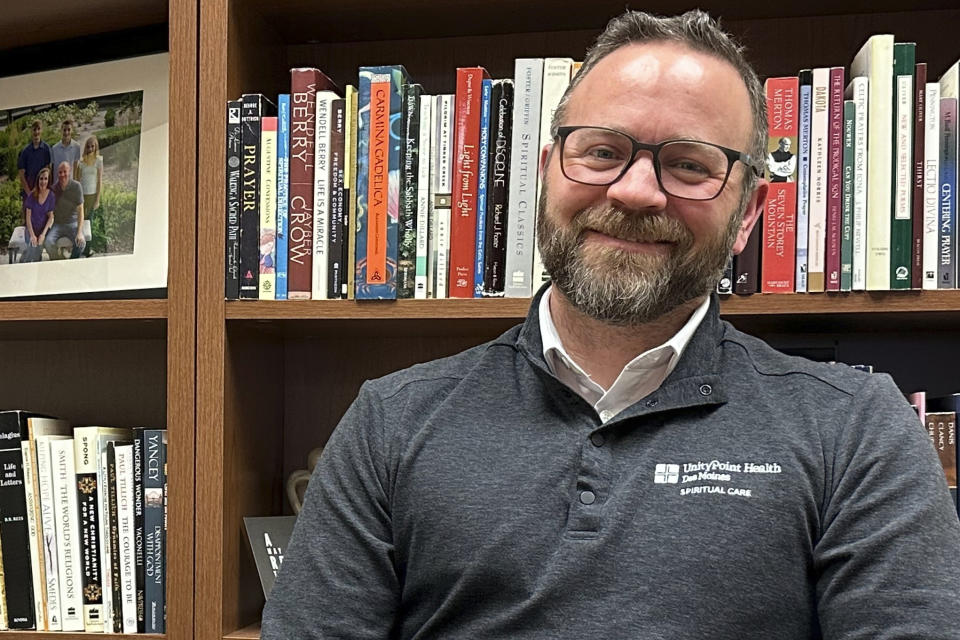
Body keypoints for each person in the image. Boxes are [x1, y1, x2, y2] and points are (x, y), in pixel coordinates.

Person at [262, 11, 960, 640]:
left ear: (748, 214)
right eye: (601, 152)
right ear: (547, 173)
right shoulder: (390, 422)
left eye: (689, 165)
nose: (633, 191)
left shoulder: (858, 430)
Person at [45, 161, 85, 260]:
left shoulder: (76, 186)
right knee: (48, 243)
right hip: (57, 224)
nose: (62, 175)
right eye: (60, 172)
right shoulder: (53, 189)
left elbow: (80, 211)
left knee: (81, 244)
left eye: (65, 172)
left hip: (72, 223)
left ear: (69, 171)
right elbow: (48, 211)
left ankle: (71, 263)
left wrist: (79, 232)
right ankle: (59, 260)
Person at [19, 166, 55, 263]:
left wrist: (43, 234)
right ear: (38, 180)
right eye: (41, 178)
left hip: (42, 229)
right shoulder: (31, 195)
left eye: (45, 179)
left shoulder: (51, 195)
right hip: (31, 228)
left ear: (48, 180)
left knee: (38, 246)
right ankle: (24, 262)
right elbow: (28, 218)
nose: (43, 181)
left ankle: (32, 262)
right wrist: (32, 235)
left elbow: (51, 216)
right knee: (32, 245)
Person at [17, 120, 52, 217]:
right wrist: (29, 193)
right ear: (31, 131)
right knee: (28, 220)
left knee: (42, 219)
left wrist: (43, 191)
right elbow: (21, 174)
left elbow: (48, 170)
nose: (36, 132)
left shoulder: (46, 149)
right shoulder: (25, 151)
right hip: (28, 192)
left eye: (38, 129)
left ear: (41, 131)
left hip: (42, 192)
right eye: (34, 129)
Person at [75, 135, 103, 256]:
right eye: (89, 146)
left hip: (92, 196)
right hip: (82, 196)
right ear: (86, 147)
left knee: (89, 222)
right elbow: (76, 179)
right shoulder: (81, 162)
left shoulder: (99, 161)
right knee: (80, 221)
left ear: (96, 147)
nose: (91, 148)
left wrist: (97, 199)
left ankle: (87, 250)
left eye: (93, 146)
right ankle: (78, 248)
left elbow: (99, 181)